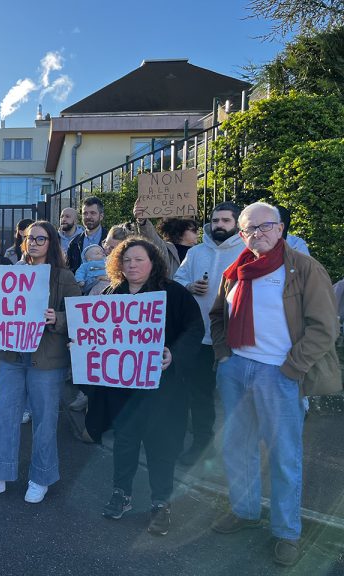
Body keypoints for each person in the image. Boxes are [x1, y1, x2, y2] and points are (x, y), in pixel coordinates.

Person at [209, 202, 340, 567]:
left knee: (284, 457)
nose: (257, 235)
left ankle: (286, 532)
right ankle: (246, 511)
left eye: (265, 227)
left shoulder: (304, 268)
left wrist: (292, 369)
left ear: (281, 229)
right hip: (236, 369)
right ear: (241, 234)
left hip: (279, 375)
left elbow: (324, 328)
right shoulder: (235, 271)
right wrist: (223, 356)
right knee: (238, 447)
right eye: (249, 229)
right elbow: (218, 315)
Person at [0, 220, 81, 504]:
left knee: (44, 421)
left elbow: (80, 317)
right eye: (29, 238)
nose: (33, 243)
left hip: (46, 359)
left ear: (51, 243)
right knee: (3, 414)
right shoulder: (11, 273)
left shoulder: (64, 277)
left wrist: (58, 318)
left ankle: (41, 477)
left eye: (40, 239)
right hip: (12, 355)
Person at [99, 237, 203, 536]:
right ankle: (121, 494)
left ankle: (160, 503)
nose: (131, 265)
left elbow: (194, 328)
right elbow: (98, 334)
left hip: (163, 389)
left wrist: (175, 353)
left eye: (138, 260)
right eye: (126, 260)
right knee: (125, 443)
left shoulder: (174, 293)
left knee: (162, 446)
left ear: (153, 262)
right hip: (124, 389)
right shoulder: (112, 293)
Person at [173, 201, 244, 465]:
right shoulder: (196, 252)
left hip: (233, 340)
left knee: (234, 398)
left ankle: (238, 452)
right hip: (199, 336)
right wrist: (190, 285)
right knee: (199, 396)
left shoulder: (247, 251)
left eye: (226, 221)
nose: (219, 226)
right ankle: (203, 445)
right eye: (216, 221)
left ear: (236, 223)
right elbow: (177, 281)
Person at [69, 225, 130, 414]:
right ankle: (86, 396)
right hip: (94, 317)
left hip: (117, 323)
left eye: (114, 248)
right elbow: (82, 284)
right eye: (107, 245)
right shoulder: (97, 264)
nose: (108, 251)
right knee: (91, 358)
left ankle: (102, 408)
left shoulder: (130, 266)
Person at [66, 197, 108, 272]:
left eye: (93, 213)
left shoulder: (110, 239)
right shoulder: (74, 243)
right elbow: (70, 271)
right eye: (85, 213)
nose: (88, 217)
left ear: (101, 216)